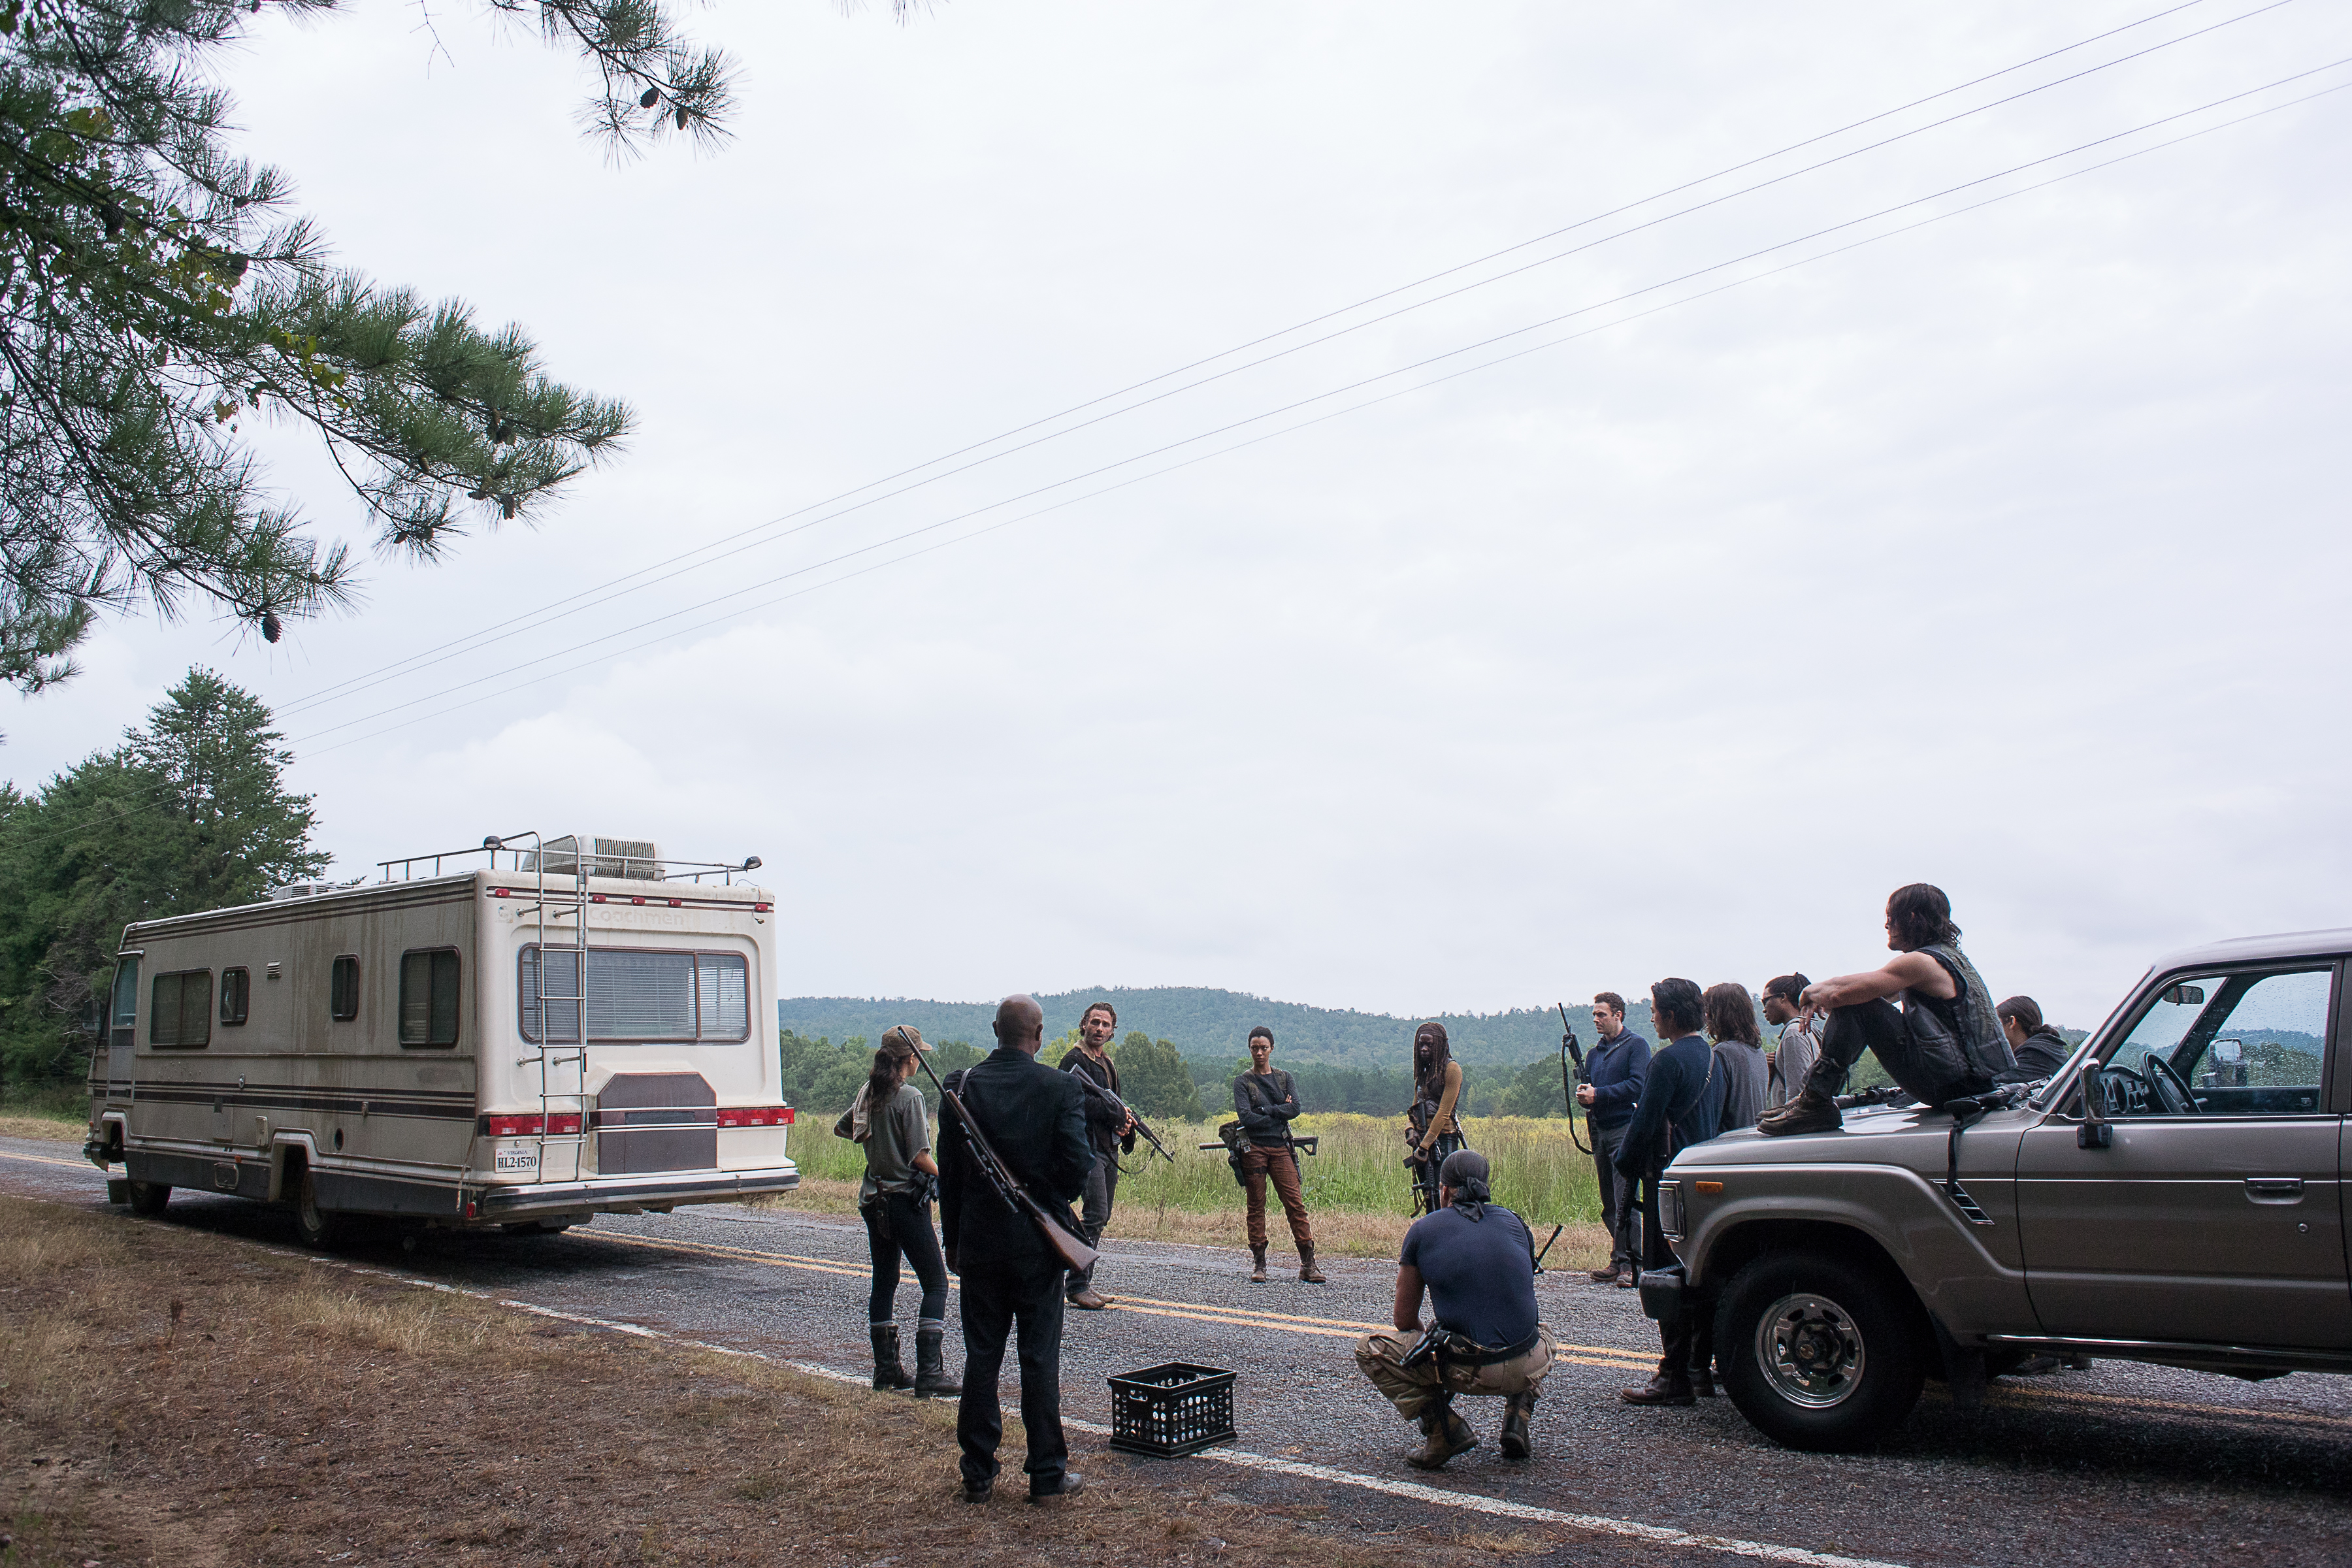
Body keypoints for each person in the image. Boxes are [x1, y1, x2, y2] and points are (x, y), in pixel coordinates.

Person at [936, 994, 1094, 1505]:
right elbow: (1078, 1169)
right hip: (1037, 1247)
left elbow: (949, 1178)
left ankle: (977, 1473)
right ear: (1040, 1036)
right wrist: (1044, 1198)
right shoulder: (1061, 1087)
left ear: (995, 1030)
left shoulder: (961, 1087)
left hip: (979, 1244)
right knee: (1038, 1360)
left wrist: (953, 1242)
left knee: (982, 1357)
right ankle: (1047, 1475)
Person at [1757, 883, 2017, 1137]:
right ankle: (1812, 1096)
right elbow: (1869, 991)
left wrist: (1807, 993)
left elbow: (1840, 993)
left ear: (1911, 918)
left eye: (1890, 917)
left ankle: (1815, 1102)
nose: (1886, 925)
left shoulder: (1921, 963)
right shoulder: (1953, 959)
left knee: (1857, 1003)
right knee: (1858, 997)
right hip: (1970, 1083)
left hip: (1951, 1086)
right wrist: (1834, 996)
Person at [1354, 1149, 1555, 1471]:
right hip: (1529, 1361)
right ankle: (1518, 1417)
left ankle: (1444, 1431)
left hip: (1471, 1370)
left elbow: (1404, 1320)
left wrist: (1431, 1348)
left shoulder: (1423, 1230)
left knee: (1369, 1349)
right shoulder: (1515, 1222)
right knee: (1542, 1332)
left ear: (1445, 1190)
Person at [832, 1024, 960, 1399]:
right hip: (905, 1201)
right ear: (910, 1058)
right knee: (936, 1283)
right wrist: (949, 1177)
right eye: (919, 1055)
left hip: (874, 1202)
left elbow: (843, 1129)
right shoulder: (910, 1097)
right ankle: (930, 1374)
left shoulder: (868, 1094)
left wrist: (879, 1143)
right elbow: (919, 1157)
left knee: (885, 1282)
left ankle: (886, 1372)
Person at [1617, 977, 1722, 1407]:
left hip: (1669, 1180)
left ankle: (1673, 1377)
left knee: (1665, 1279)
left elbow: (1643, 1125)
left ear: (1672, 1016)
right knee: (1697, 1279)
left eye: (1656, 1011)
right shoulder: (1712, 1056)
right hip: (1704, 1178)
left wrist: (1623, 1163)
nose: (1653, 1018)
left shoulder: (1666, 1061)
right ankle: (1698, 1371)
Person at [1231, 1026, 1325, 1283]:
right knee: (1256, 1206)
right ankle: (1259, 1264)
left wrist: (1266, 1110)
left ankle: (1308, 1264)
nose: (1259, 1053)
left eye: (1264, 1048)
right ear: (1250, 1050)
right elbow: (1246, 1117)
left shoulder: (1285, 1078)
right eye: (1255, 1048)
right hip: (1254, 1149)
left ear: (1272, 1048)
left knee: (1295, 1205)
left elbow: (1295, 1108)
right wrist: (1279, 1110)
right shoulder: (1242, 1082)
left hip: (1281, 1148)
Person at [1058, 1001, 1135, 1311]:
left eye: (1105, 1024)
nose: (1100, 1029)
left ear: (1113, 1030)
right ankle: (1077, 1284)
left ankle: (1082, 1281)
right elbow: (1072, 1101)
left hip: (1107, 1149)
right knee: (1096, 1214)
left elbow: (1114, 1105)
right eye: (1095, 1022)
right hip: (1086, 1149)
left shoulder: (1107, 1063)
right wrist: (1112, 1113)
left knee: (1100, 1217)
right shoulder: (1073, 1060)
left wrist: (1124, 1125)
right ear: (1084, 1025)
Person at [1572, 992, 1650, 1287]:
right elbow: (1593, 1089)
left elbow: (1638, 1085)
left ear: (1618, 1015)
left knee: (1625, 1198)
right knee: (1609, 1201)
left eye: (1601, 1014)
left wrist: (1599, 1094)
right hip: (1600, 1130)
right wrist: (1586, 1096)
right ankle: (1619, 1259)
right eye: (1594, 1014)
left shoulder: (1636, 1046)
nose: (1596, 1019)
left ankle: (1635, 1264)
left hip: (1624, 1129)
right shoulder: (1595, 1054)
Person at [1405, 1021, 1466, 1215]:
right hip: (1422, 1138)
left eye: (1429, 1045)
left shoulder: (1452, 1069)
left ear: (1439, 1045)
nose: (1424, 1049)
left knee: (1443, 1191)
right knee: (1428, 1192)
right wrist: (1410, 1130)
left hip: (1443, 1138)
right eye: (1421, 1044)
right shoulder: (1423, 1073)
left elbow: (1444, 1112)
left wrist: (1425, 1145)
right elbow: (1414, 1108)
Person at [1703, 983, 1769, 1133]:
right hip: (1753, 1135)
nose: (1706, 1017)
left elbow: (1714, 1108)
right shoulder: (1758, 1052)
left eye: (1709, 1011)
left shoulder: (1723, 1052)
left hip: (1730, 1138)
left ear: (1718, 1014)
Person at [1760, 974, 1819, 1111]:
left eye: (1765, 1001)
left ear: (1783, 997)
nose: (1764, 1009)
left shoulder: (1793, 1033)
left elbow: (1797, 1095)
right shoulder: (1809, 1030)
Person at [1997, 996, 2072, 1080]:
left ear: (2011, 1022)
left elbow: (1994, 1082)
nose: (1993, 1030)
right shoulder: (2050, 1050)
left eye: (1996, 1023)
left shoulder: (2037, 1055)